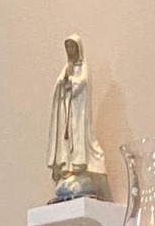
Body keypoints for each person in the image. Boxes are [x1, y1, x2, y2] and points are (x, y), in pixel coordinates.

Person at [46, 34, 110, 202]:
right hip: (67, 111)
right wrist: (64, 81)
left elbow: (83, 82)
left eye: (72, 47)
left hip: (78, 112)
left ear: (78, 48)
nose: (70, 50)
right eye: (67, 47)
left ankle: (79, 166)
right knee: (67, 141)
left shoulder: (83, 66)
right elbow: (59, 83)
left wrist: (71, 82)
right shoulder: (67, 67)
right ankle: (68, 167)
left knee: (78, 138)